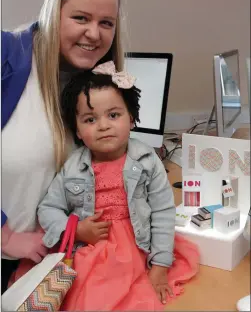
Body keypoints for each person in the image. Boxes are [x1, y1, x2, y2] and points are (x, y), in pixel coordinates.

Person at [33, 62, 199, 311]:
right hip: (90, 251)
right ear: (77, 130)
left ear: (131, 118)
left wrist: (161, 266)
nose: (103, 125)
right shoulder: (72, 168)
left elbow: (163, 212)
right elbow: (47, 209)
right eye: (90, 119)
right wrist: (76, 229)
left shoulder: (147, 161)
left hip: (138, 249)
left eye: (113, 115)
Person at [1, 0, 123, 293]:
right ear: (55, 12)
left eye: (106, 23)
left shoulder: (95, 85)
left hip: (49, 261)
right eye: (80, 18)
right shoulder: (7, 56)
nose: (94, 34)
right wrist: (5, 236)